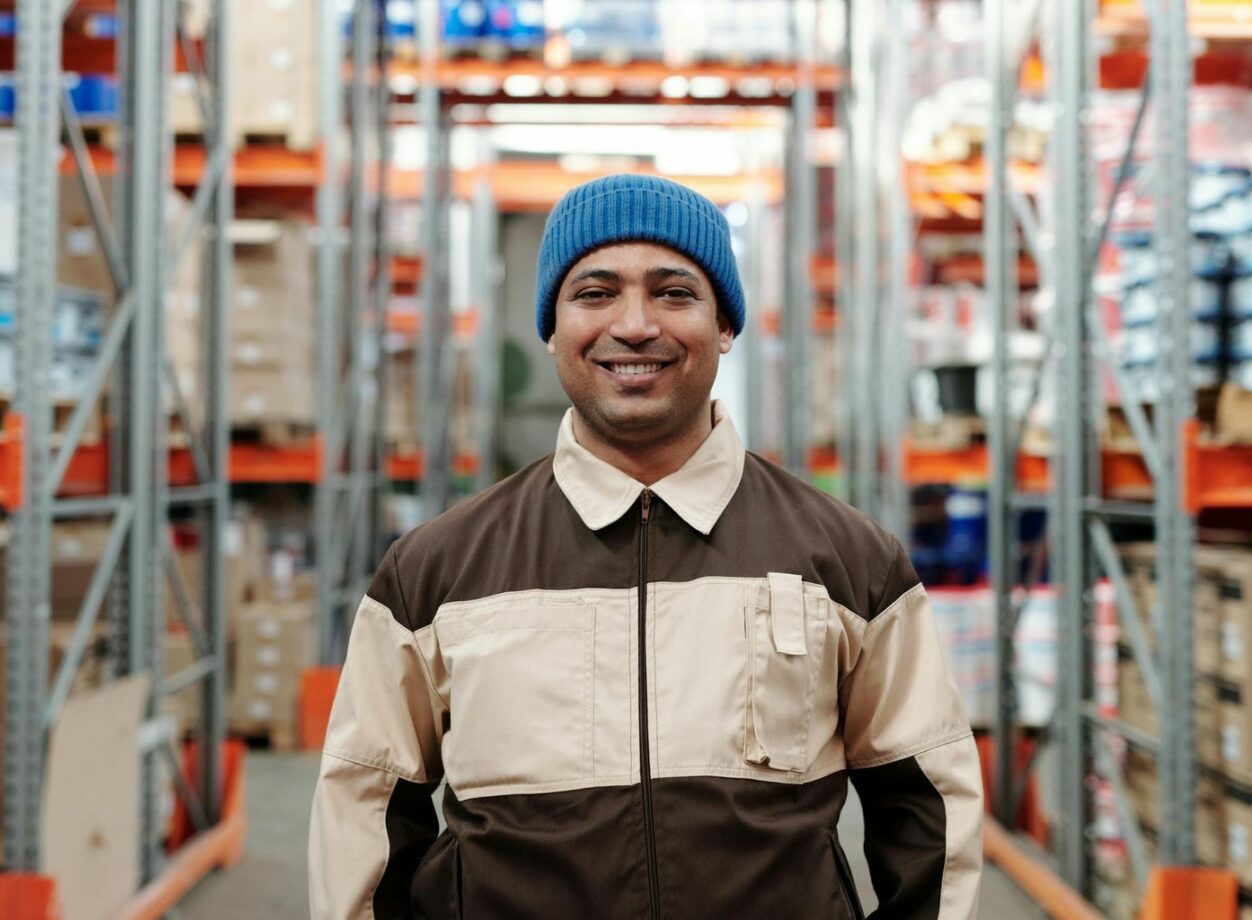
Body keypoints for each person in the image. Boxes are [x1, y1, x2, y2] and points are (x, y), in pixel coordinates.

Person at [309, 174, 983, 919]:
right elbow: (363, 812)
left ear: (725, 325)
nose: (633, 325)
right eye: (595, 293)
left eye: (673, 292)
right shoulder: (435, 572)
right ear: (552, 326)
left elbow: (929, 812)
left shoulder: (851, 563)